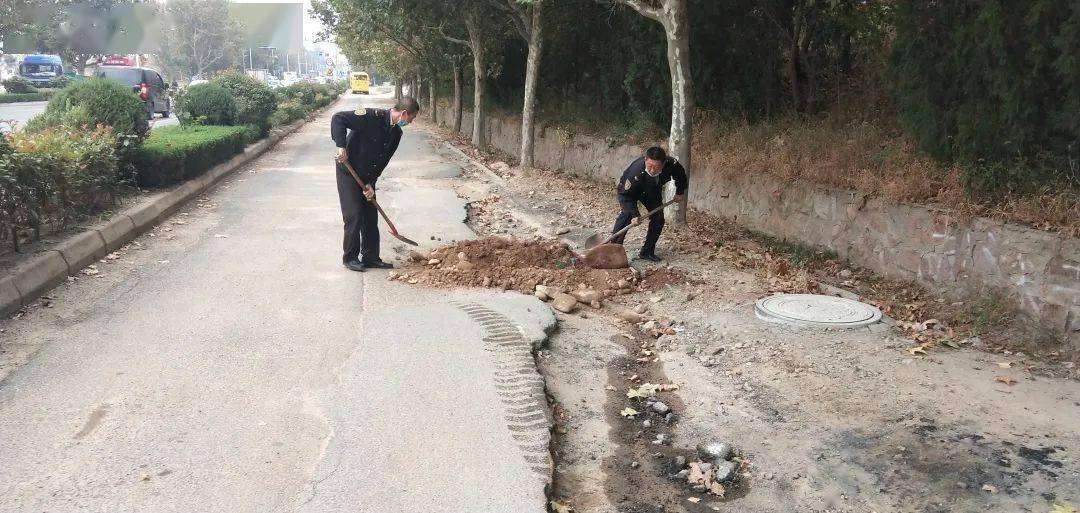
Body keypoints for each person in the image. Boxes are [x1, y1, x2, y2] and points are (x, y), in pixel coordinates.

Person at [331, 97, 419, 272]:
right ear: (403, 113)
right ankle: (350, 257)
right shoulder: (371, 117)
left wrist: (371, 183)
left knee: (370, 216)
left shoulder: (396, 134)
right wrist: (341, 146)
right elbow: (338, 118)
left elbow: (382, 161)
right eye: (412, 118)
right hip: (349, 172)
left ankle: (371, 257)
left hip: (367, 176)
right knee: (354, 214)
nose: (411, 122)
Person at [610, 146, 688, 262]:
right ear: (645, 160)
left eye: (656, 167)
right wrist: (635, 214)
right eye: (649, 166)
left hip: (652, 190)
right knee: (627, 215)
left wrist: (680, 192)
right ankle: (612, 250)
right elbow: (625, 196)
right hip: (630, 192)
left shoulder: (671, 164)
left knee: (658, 218)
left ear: (664, 163)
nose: (652, 170)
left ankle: (647, 251)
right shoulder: (635, 172)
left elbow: (680, 175)